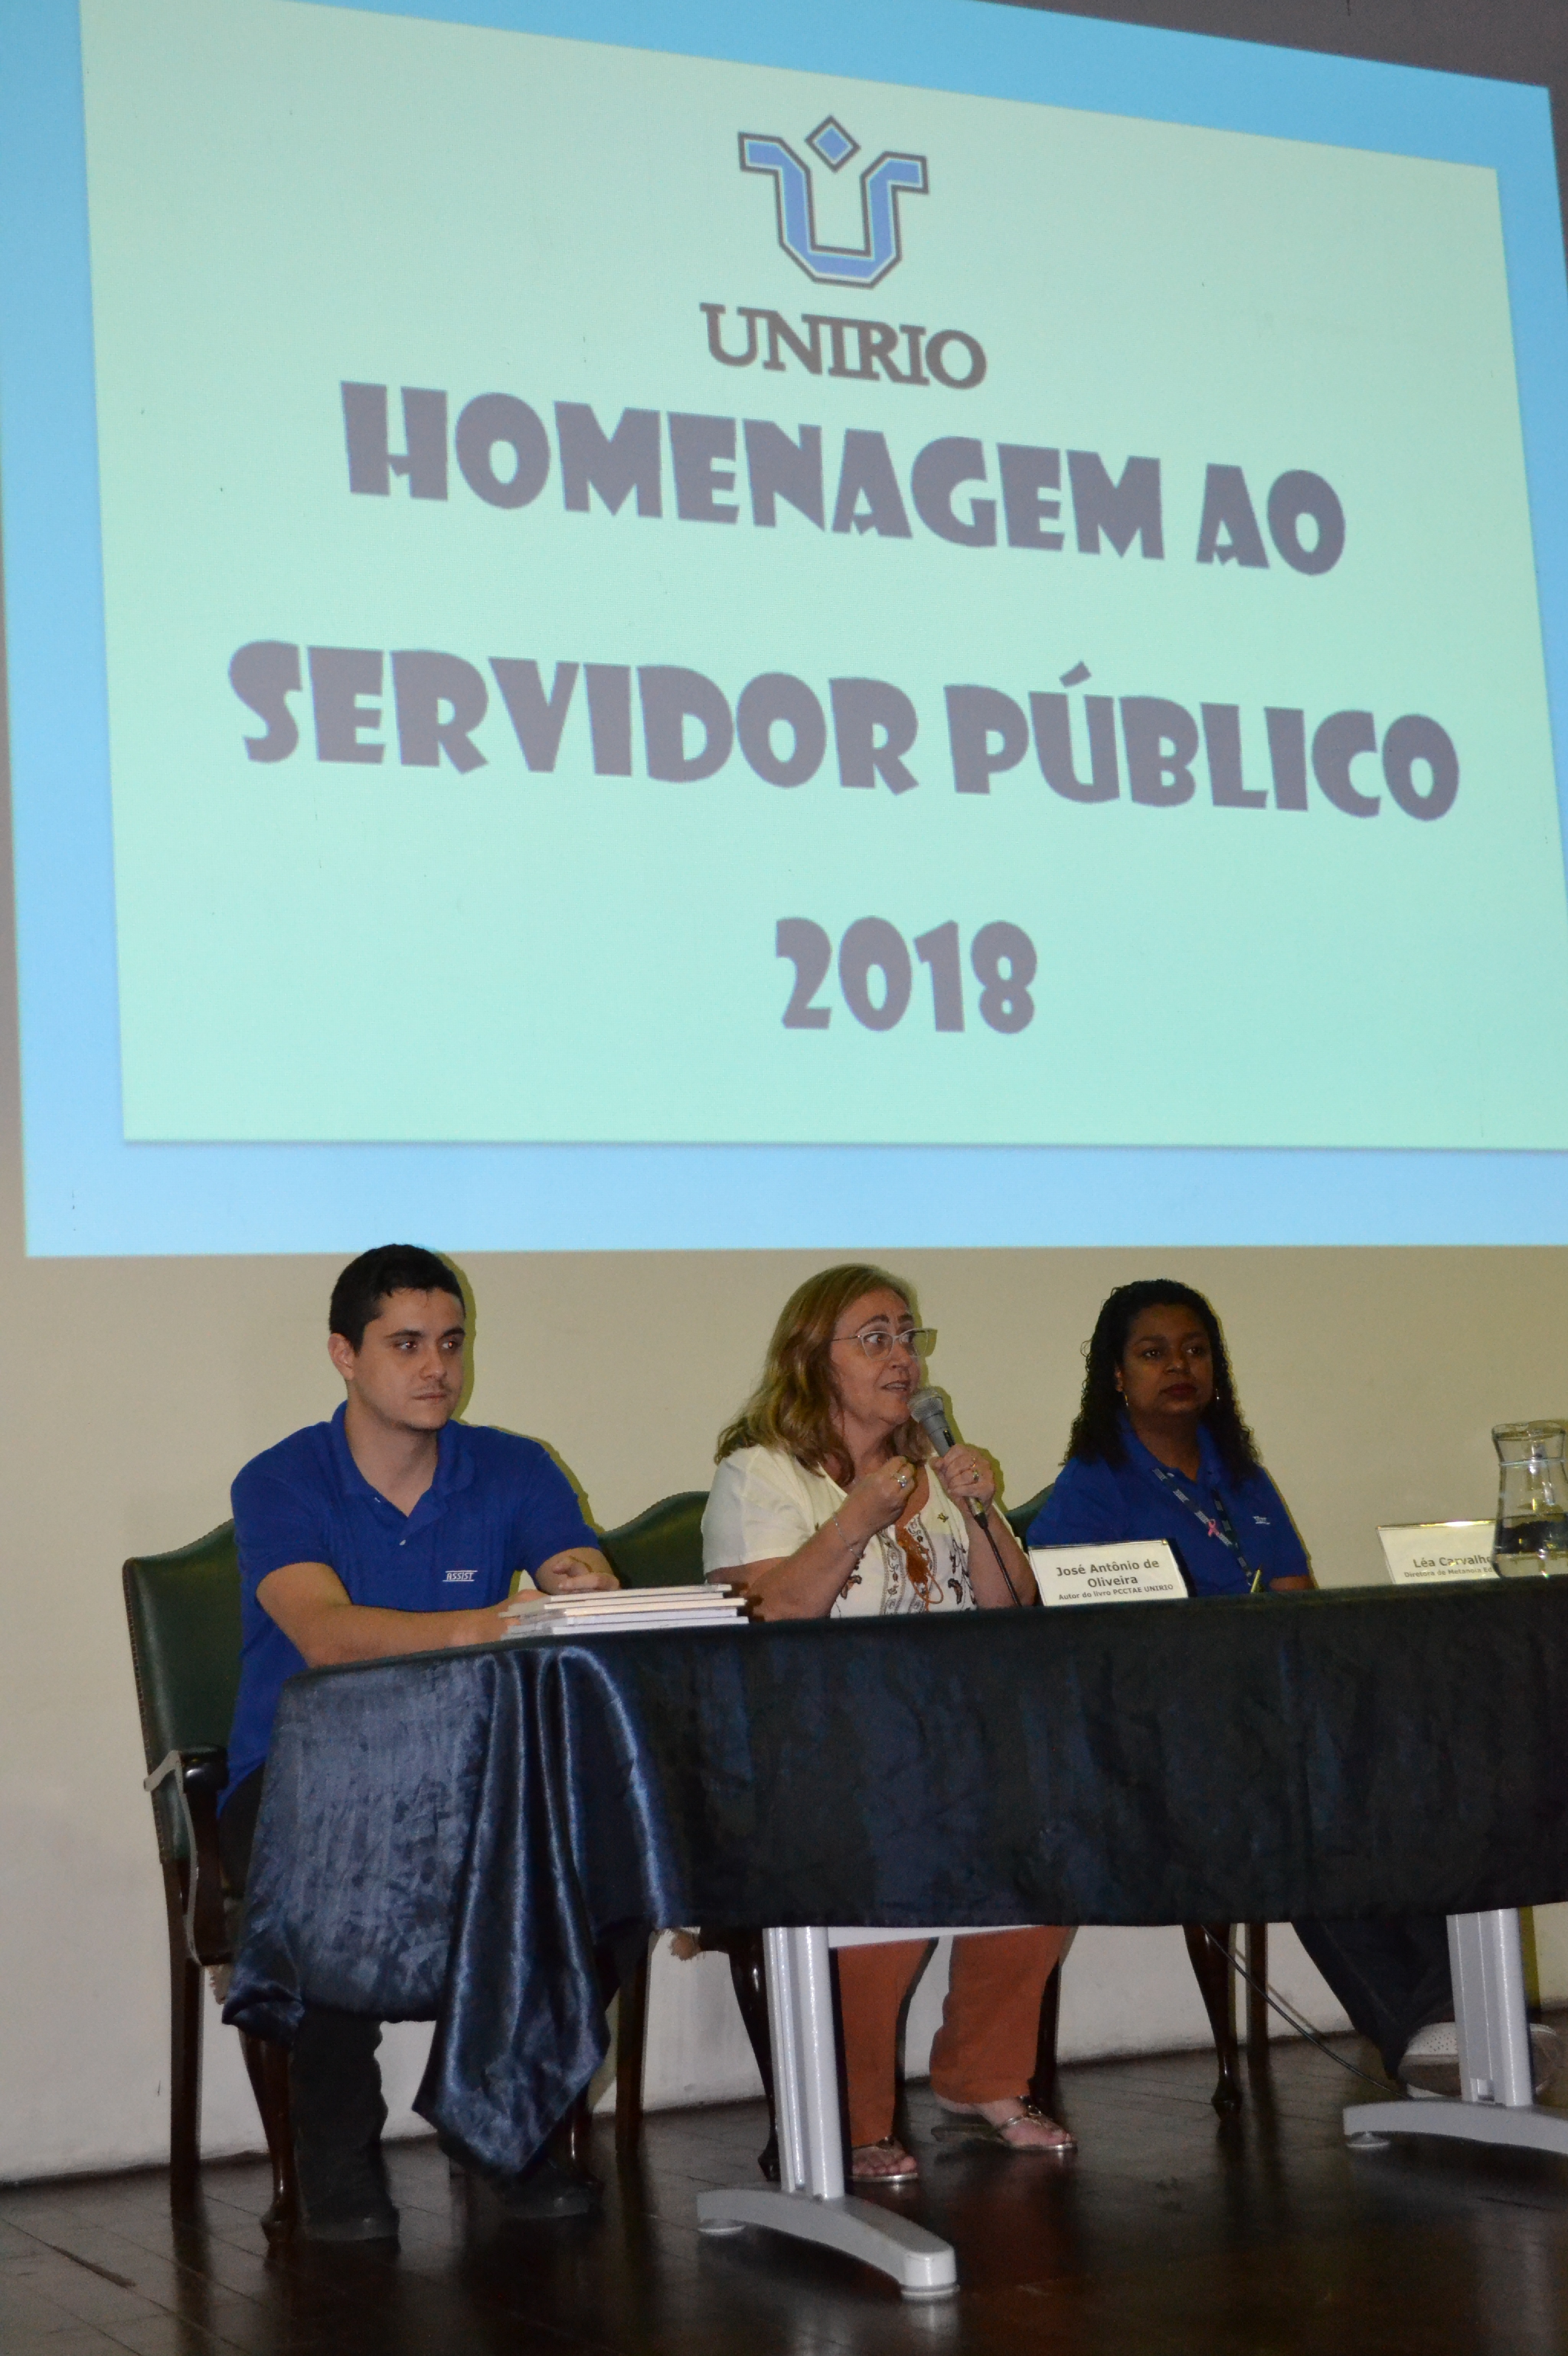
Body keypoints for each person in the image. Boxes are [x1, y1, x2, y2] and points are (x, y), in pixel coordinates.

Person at [219, 1244, 618, 2241]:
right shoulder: (279, 1480)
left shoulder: (516, 1466)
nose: (437, 1367)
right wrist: (492, 1623)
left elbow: (577, 1579)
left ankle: (498, 2119)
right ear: (343, 1354)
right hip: (302, 1776)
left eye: (450, 1342)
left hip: (469, 1771)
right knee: (329, 1862)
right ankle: (337, 2156)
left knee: (599, 1858)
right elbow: (327, 1633)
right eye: (406, 1345)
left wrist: (583, 1587)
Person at [1029, 1279, 1471, 2095]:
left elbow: (1299, 1605)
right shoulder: (1092, 1485)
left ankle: (1451, 2020)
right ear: (1116, 1375)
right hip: (1174, 1746)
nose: (1178, 1366)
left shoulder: (1240, 1473)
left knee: (1408, 1778)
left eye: (1194, 1349)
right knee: (1303, 1815)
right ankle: (1431, 2032)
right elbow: (1075, 1641)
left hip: (1281, 1722)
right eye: (1153, 1352)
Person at [703, 1262, 1073, 2182]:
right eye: (874, 1337)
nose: (901, 1355)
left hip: (945, 1744)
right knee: (889, 1870)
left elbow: (1009, 1606)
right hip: (813, 1751)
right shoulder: (760, 1474)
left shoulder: (934, 1470)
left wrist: (979, 1507)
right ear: (810, 1357)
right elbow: (766, 1615)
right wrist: (853, 1522)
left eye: (908, 1335)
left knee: (1046, 1850)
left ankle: (982, 2076)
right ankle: (852, 2118)